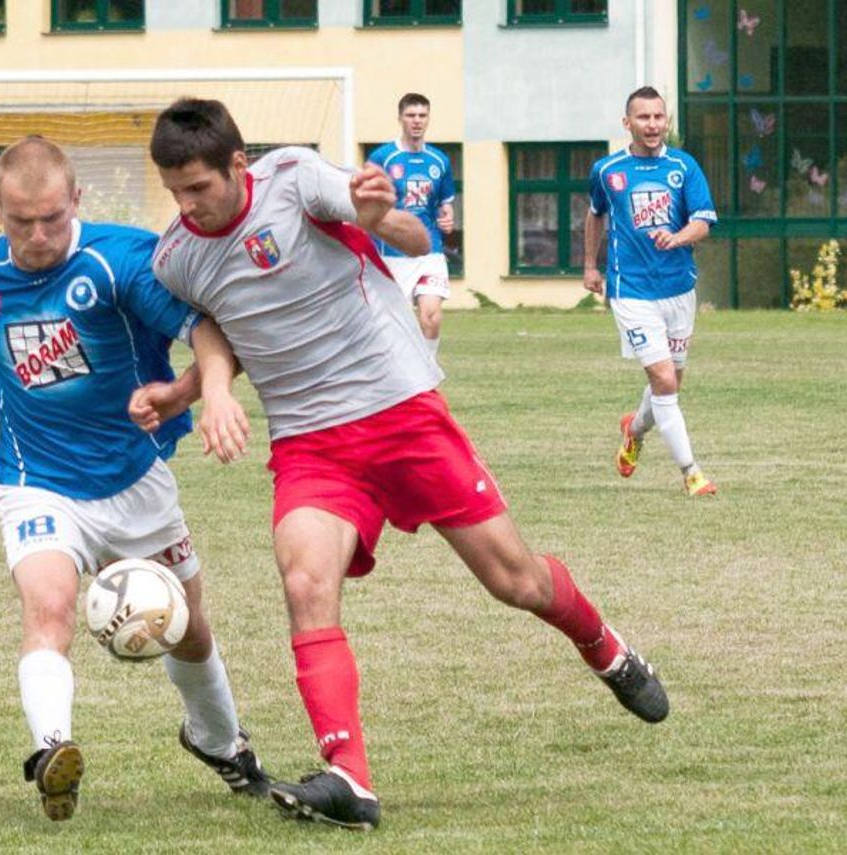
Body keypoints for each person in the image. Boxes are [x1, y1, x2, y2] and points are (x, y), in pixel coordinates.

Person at [133, 98, 669, 832]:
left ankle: (604, 647)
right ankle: (349, 779)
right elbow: (218, 328)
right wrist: (199, 391)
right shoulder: (176, 254)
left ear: (236, 164)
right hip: (310, 442)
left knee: (515, 580)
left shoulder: (293, 178)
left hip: (400, 409)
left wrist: (378, 214)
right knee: (304, 581)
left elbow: (411, 234)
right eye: (174, 193)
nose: (188, 206)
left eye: (199, 188)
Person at [0, 136, 268, 822]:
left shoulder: (121, 260)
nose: (39, 235)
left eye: (51, 217)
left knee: (189, 629)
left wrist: (211, 393)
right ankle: (53, 749)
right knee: (47, 608)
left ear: (75, 200)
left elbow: (205, 330)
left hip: (134, 479)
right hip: (34, 479)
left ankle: (219, 742)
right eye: (21, 222)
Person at [583, 86, 718, 497]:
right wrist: (590, 265)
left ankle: (634, 429)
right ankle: (692, 472)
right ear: (628, 123)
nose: (653, 125)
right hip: (631, 290)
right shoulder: (608, 171)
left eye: (659, 117)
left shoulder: (683, 166)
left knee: (672, 382)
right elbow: (594, 217)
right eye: (644, 117)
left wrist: (677, 238)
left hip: (679, 288)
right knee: (662, 378)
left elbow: (704, 222)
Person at [366, 93, 456, 357]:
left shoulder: (439, 160)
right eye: (411, 115)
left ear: (428, 119)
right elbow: (367, 203)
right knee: (392, 325)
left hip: (431, 250)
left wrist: (448, 218)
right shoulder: (383, 157)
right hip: (392, 252)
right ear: (400, 118)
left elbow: (444, 204)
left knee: (431, 316)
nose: (417, 121)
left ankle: (428, 372)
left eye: (422, 115)